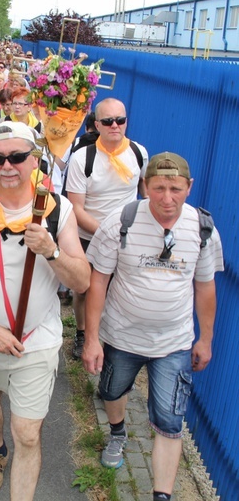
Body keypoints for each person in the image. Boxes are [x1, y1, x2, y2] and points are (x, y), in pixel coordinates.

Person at [0, 122, 90, 499]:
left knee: (27, 433)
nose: (8, 166)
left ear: (34, 160)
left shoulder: (58, 210)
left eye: (19, 157)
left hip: (35, 341)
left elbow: (83, 281)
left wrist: (52, 251)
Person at [82, 152, 223, 501]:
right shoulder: (121, 221)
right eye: (159, 187)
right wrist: (92, 338)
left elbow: (205, 287)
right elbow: (97, 281)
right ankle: (117, 432)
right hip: (121, 335)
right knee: (112, 391)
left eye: (175, 188)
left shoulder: (202, 228)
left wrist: (206, 339)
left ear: (189, 188)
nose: (167, 198)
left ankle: (162, 494)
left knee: (170, 420)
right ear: (145, 186)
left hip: (173, 342)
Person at [65, 98, 148, 360]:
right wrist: (106, 231)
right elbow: (76, 208)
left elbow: (143, 190)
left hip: (126, 237)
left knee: (119, 291)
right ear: (97, 125)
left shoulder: (139, 153)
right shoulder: (83, 158)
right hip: (89, 235)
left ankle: (110, 341)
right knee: (84, 288)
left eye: (120, 120)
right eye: (108, 121)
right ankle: (82, 333)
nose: (115, 126)